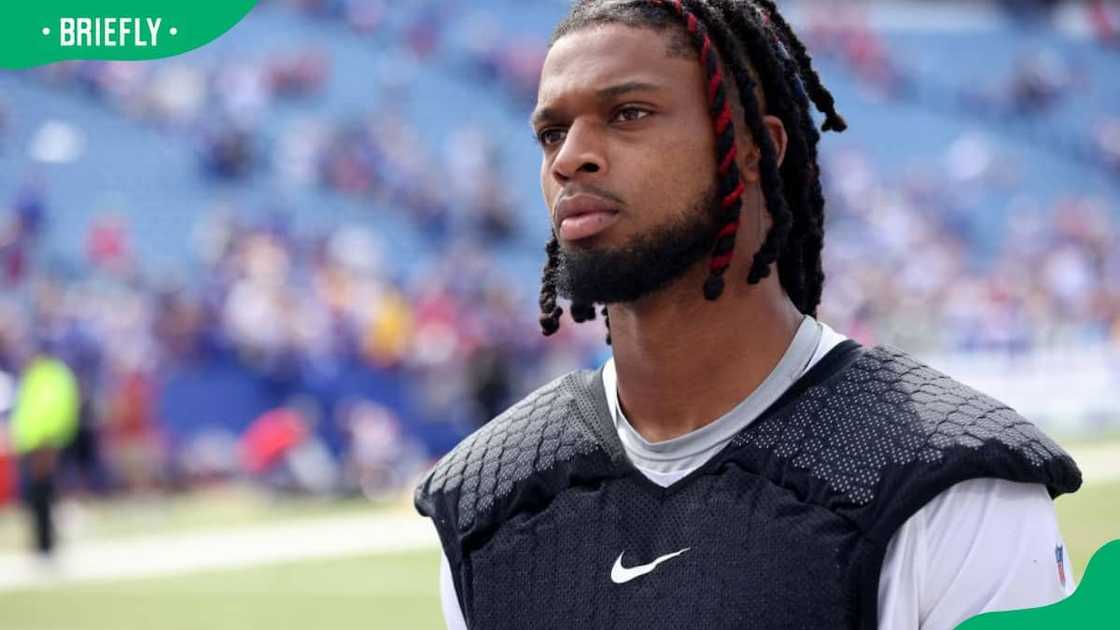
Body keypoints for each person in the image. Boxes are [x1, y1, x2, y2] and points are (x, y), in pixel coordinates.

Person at [414, 1, 1081, 628]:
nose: (569, 158)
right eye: (551, 132)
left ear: (755, 147)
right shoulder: (488, 501)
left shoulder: (949, 482)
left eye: (629, 114)